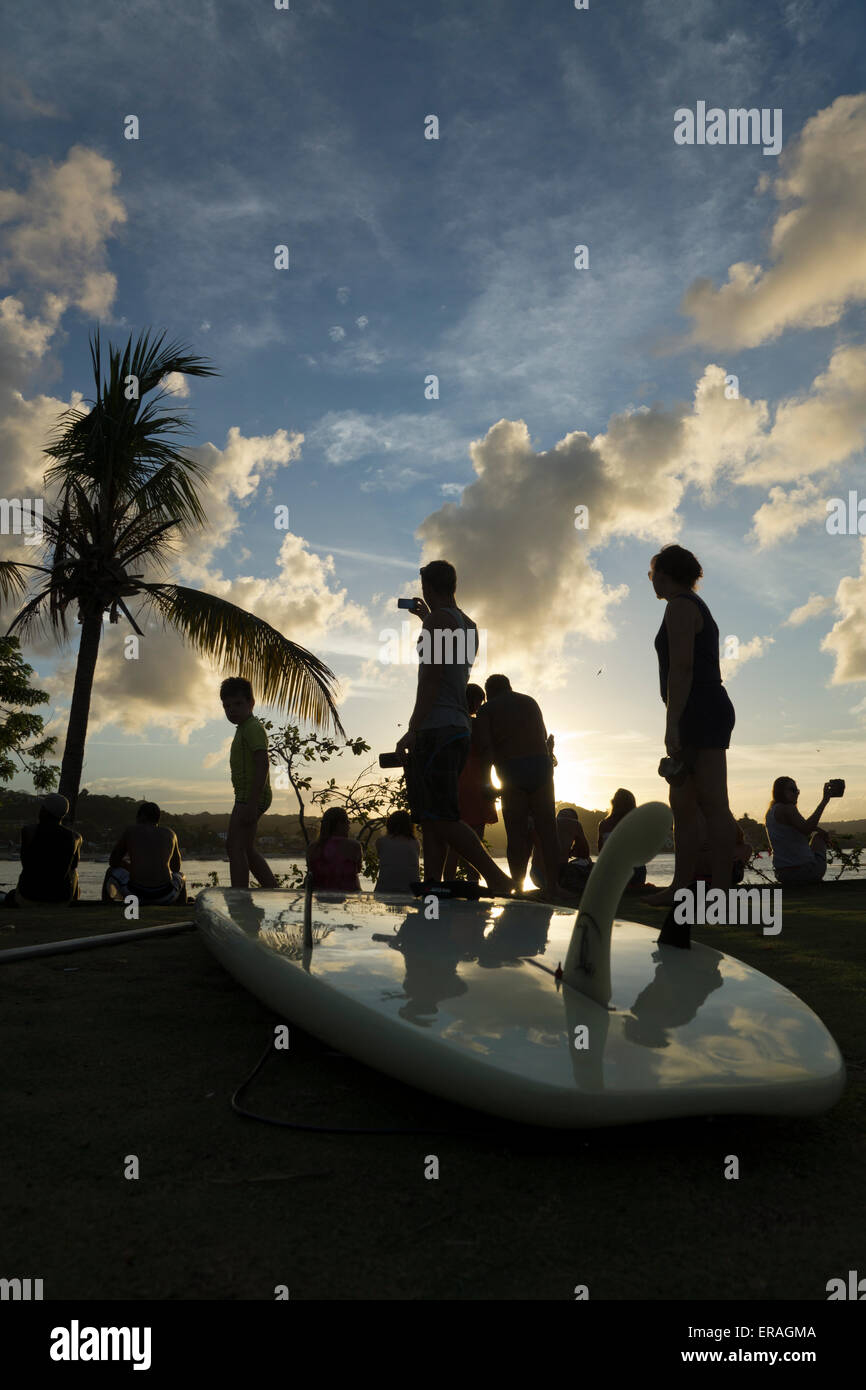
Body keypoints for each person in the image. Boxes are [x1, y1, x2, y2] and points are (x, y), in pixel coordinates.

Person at [395, 560, 513, 894]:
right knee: (433, 814)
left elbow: (432, 678)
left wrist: (414, 728)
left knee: (441, 815)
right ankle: (433, 882)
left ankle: (496, 877)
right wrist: (426, 619)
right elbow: (452, 667)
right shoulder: (468, 625)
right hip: (458, 727)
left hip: (437, 727)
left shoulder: (437, 621)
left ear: (427, 588)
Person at [644, 545, 737, 907]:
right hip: (698, 708)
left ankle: (720, 891)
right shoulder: (687, 606)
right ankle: (682, 889)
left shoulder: (680, 606)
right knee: (682, 803)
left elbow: (682, 668)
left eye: (653, 573)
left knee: (713, 803)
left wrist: (672, 724)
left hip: (699, 710)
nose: (651, 580)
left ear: (666, 574)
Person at [473, 674, 561, 894]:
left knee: (516, 833)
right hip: (541, 766)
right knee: (548, 830)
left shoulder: (487, 709)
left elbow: (485, 749)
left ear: (489, 692)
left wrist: (486, 782)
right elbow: (542, 737)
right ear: (509, 686)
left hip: (512, 770)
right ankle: (553, 886)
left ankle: (519, 887)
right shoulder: (530, 701)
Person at [220, 676, 277, 890]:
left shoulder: (252, 727)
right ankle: (274, 890)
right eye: (227, 706)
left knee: (234, 847)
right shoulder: (243, 729)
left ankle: (239, 897)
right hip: (247, 796)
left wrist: (252, 802)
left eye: (238, 704)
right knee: (246, 848)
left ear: (251, 703)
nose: (231, 709)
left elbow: (262, 763)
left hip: (251, 797)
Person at [442, 682, 499, 883]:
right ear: (475, 701)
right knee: (475, 839)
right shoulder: (477, 724)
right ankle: (473, 880)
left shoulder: (451, 723)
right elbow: (488, 751)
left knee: (454, 841)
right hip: (475, 782)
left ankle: (448, 880)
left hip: (456, 780)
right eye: (480, 700)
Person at [3, 793, 81, 907]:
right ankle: (72, 902)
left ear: (44, 811)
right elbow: (73, 865)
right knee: (74, 872)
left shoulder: (28, 832)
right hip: (60, 898)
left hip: (28, 896)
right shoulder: (76, 838)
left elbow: (26, 863)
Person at [103, 802, 187, 905]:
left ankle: (105, 904)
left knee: (110, 871)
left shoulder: (131, 831)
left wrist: (130, 867)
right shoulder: (170, 834)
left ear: (142, 816)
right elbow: (176, 868)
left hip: (135, 894)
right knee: (181, 876)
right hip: (165, 895)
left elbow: (113, 862)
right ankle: (182, 907)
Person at [765, 777, 841, 886]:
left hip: (782, 874)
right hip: (804, 872)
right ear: (780, 791)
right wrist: (825, 801)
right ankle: (815, 878)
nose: (796, 793)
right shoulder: (788, 808)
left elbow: (800, 825)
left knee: (818, 835)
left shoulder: (771, 812)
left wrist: (817, 828)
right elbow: (806, 829)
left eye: (797, 791)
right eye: (792, 790)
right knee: (819, 838)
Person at [529, 807, 592, 892]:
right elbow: (585, 853)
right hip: (556, 877)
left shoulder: (544, 822)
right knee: (588, 862)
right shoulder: (575, 824)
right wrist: (571, 851)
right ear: (574, 817)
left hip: (536, 876)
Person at [597, 789, 647, 889]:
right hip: (634, 872)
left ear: (613, 803)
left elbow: (601, 852)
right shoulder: (636, 823)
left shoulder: (603, 824)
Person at [307, 806, 362, 890]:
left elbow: (311, 872)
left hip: (319, 897)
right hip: (349, 896)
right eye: (348, 822)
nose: (349, 826)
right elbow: (358, 870)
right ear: (340, 824)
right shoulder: (354, 846)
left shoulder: (313, 847)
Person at [375, 810, 421, 893]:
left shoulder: (381, 842)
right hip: (412, 889)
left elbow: (381, 857)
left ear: (389, 824)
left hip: (384, 889)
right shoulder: (415, 842)